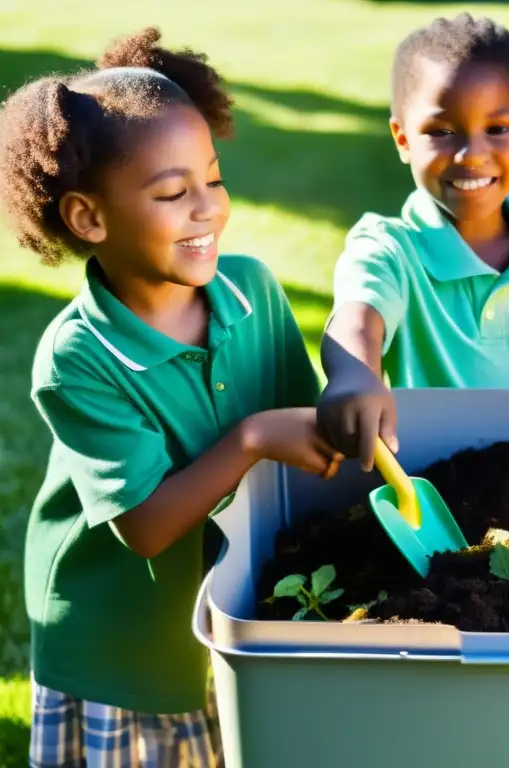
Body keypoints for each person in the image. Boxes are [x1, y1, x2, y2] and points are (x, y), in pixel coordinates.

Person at [0, 28, 342, 767]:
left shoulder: (252, 292)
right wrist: (253, 438)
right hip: (119, 636)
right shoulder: (79, 356)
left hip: (228, 596)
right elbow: (148, 526)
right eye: (171, 192)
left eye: (213, 180)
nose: (208, 210)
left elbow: (307, 439)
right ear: (89, 218)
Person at [318, 13, 509, 470]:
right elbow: (357, 319)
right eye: (442, 131)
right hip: (429, 479)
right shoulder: (389, 248)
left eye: (497, 129)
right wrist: (354, 374)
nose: (472, 154)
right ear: (403, 138)